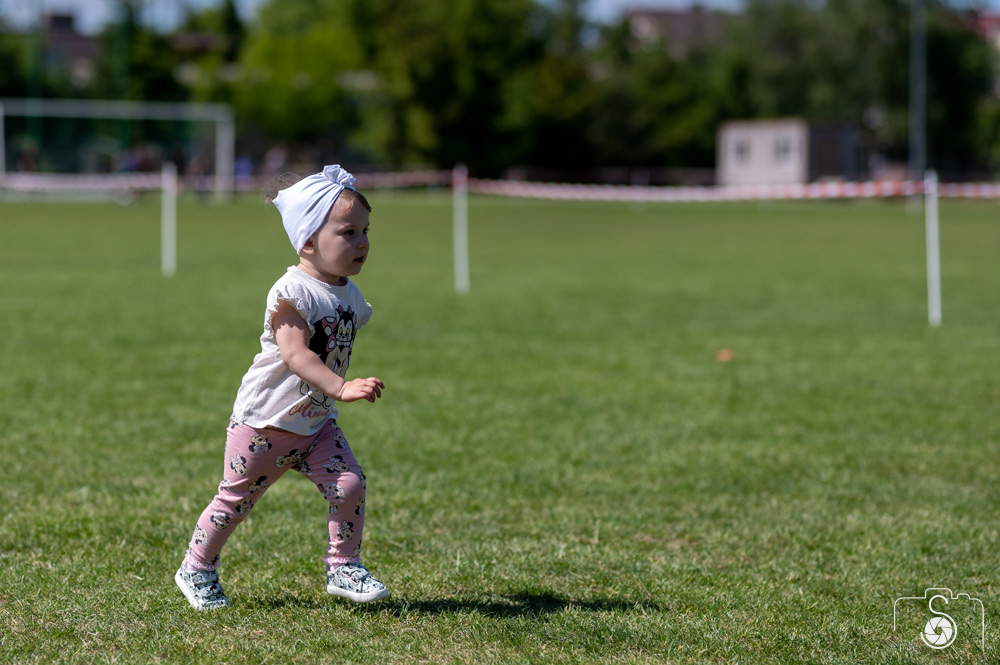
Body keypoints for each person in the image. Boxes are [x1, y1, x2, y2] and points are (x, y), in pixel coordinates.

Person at [175, 164, 388, 610]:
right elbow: (296, 354)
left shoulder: (350, 293)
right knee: (234, 502)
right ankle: (196, 567)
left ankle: (343, 565)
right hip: (265, 424)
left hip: (315, 425)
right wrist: (341, 386)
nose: (362, 242)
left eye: (365, 231)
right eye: (348, 232)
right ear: (308, 241)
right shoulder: (293, 291)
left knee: (349, 484)